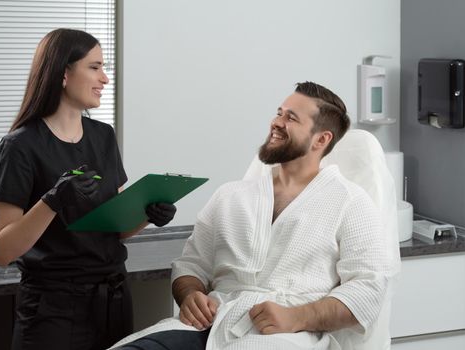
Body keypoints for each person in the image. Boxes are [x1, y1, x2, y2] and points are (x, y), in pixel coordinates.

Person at [111, 82, 397, 350]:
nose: (277, 122)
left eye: (292, 118)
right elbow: (191, 265)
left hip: (286, 336)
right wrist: (190, 296)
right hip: (210, 323)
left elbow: (368, 289)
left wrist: (297, 317)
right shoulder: (230, 195)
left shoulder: (351, 202)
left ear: (321, 139)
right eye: (279, 113)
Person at [0, 28, 176, 350]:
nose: (105, 78)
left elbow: (114, 228)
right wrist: (52, 201)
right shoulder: (20, 146)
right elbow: (2, 251)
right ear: (63, 72)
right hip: (52, 311)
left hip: (113, 299)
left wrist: (147, 214)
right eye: (94, 67)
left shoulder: (103, 136)